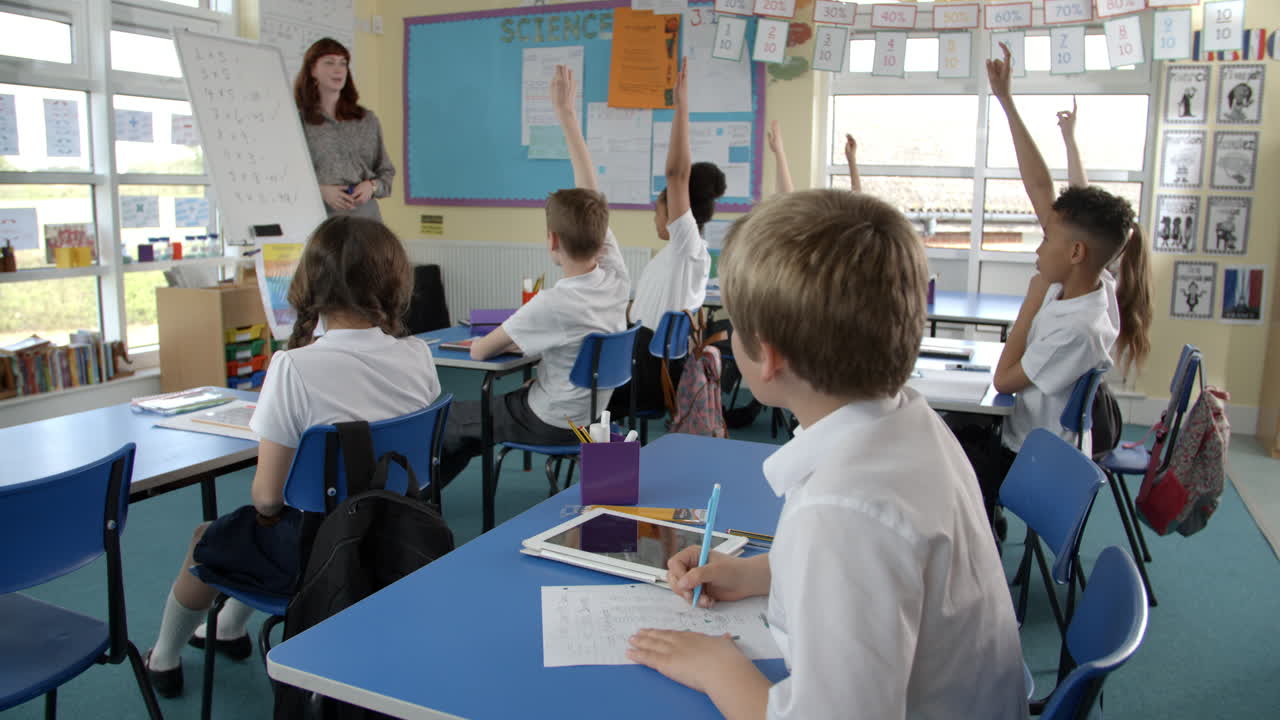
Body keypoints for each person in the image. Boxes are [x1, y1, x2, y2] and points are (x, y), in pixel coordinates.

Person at [625, 189, 1027, 719]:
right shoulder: (910, 419)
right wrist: (756, 575)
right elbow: (895, 573)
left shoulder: (842, 512)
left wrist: (717, 670)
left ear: (766, 356)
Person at [144, 216, 440, 696]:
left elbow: (266, 498)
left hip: (320, 553)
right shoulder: (418, 355)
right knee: (262, 530)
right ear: (395, 280)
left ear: (309, 282)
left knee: (213, 536)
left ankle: (162, 658)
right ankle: (229, 629)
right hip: (398, 536)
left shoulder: (293, 366)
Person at [966, 44, 1152, 521]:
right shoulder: (1094, 283)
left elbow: (1003, 379)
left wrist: (1030, 301)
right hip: (1037, 438)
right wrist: (1006, 102)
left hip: (1030, 456)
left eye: (1045, 237)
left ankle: (977, 545)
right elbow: (1043, 188)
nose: (1037, 246)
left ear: (1074, 253)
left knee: (938, 446)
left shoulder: (1077, 324)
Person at [437, 64, 629, 485]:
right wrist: (567, 115)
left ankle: (419, 499)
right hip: (588, 417)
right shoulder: (616, 276)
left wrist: (500, 337)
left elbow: (479, 353)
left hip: (551, 420)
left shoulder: (551, 303)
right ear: (601, 239)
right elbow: (591, 195)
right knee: (480, 421)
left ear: (551, 242)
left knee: (449, 418)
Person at [610, 61, 725, 417]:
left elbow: (677, 175)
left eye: (659, 210)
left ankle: (596, 453)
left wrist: (681, 106)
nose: (656, 218)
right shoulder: (683, 255)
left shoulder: (686, 245)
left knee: (575, 399)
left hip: (645, 374)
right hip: (646, 363)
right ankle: (603, 449)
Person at [294, 38, 395, 219]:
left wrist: (371, 187)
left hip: (365, 218)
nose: (338, 69)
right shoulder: (298, 121)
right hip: (320, 216)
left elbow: (386, 174)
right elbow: (288, 177)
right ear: (312, 70)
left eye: (343, 63)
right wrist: (321, 191)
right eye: (329, 62)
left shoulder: (366, 120)